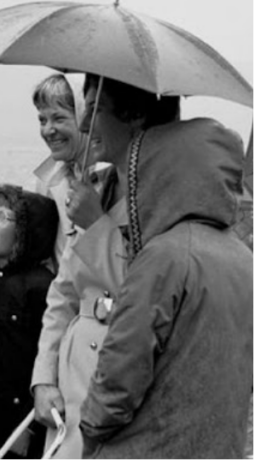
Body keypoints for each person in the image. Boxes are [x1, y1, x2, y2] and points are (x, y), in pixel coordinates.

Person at [78, 116, 251, 457]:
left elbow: (119, 375)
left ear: (165, 175)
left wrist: (89, 432)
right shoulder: (244, 259)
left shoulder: (164, 257)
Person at [30, 75, 180, 458]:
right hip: (69, 389)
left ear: (134, 116)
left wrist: (97, 224)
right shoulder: (97, 187)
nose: (83, 124)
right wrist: (44, 378)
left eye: (96, 108)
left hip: (119, 395)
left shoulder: (169, 202)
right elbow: (63, 293)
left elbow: (142, 294)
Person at [0, 185, 59, 458]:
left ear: (25, 231)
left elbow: (44, 360)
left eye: (3, 216)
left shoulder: (42, 287)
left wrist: (28, 428)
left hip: (20, 424)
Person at [30, 74, 91, 261]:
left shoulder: (113, 176)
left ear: (84, 116)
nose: (48, 130)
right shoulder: (46, 180)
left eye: (59, 119)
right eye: (42, 120)